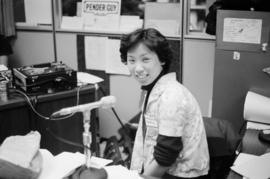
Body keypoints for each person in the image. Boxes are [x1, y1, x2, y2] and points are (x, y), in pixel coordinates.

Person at [119, 28, 210, 179]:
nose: (138, 68)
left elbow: (165, 156)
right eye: (132, 60)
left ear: (162, 59)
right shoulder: (153, 89)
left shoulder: (171, 95)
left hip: (179, 175)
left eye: (145, 59)